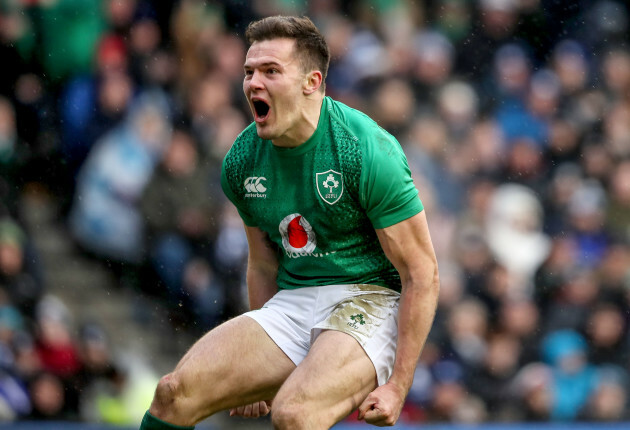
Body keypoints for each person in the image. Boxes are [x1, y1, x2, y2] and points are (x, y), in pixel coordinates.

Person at [139, 15, 439, 430]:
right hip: (295, 299)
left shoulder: (366, 150)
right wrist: (259, 376)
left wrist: (399, 385)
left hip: (370, 298)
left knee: (293, 414)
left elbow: (422, 272)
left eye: (270, 71)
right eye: (248, 72)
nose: (252, 83)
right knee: (172, 395)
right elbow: (262, 265)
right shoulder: (242, 161)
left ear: (311, 82)